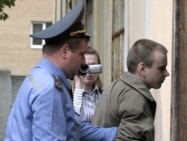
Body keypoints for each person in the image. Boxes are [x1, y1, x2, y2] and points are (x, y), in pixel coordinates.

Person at [4, 1, 117, 141]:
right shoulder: (50, 89)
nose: (83, 63)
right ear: (65, 51)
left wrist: (114, 134)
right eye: (81, 54)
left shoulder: (41, 76)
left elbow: (72, 128)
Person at [92, 39, 170, 141]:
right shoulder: (135, 98)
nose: (166, 73)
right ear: (142, 69)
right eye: (161, 68)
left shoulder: (116, 87)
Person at [72, 46, 103, 122]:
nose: (89, 71)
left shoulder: (104, 95)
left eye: (93, 66)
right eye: (85, 66)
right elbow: (74, 122)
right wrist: (78, 87)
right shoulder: (68, 95)